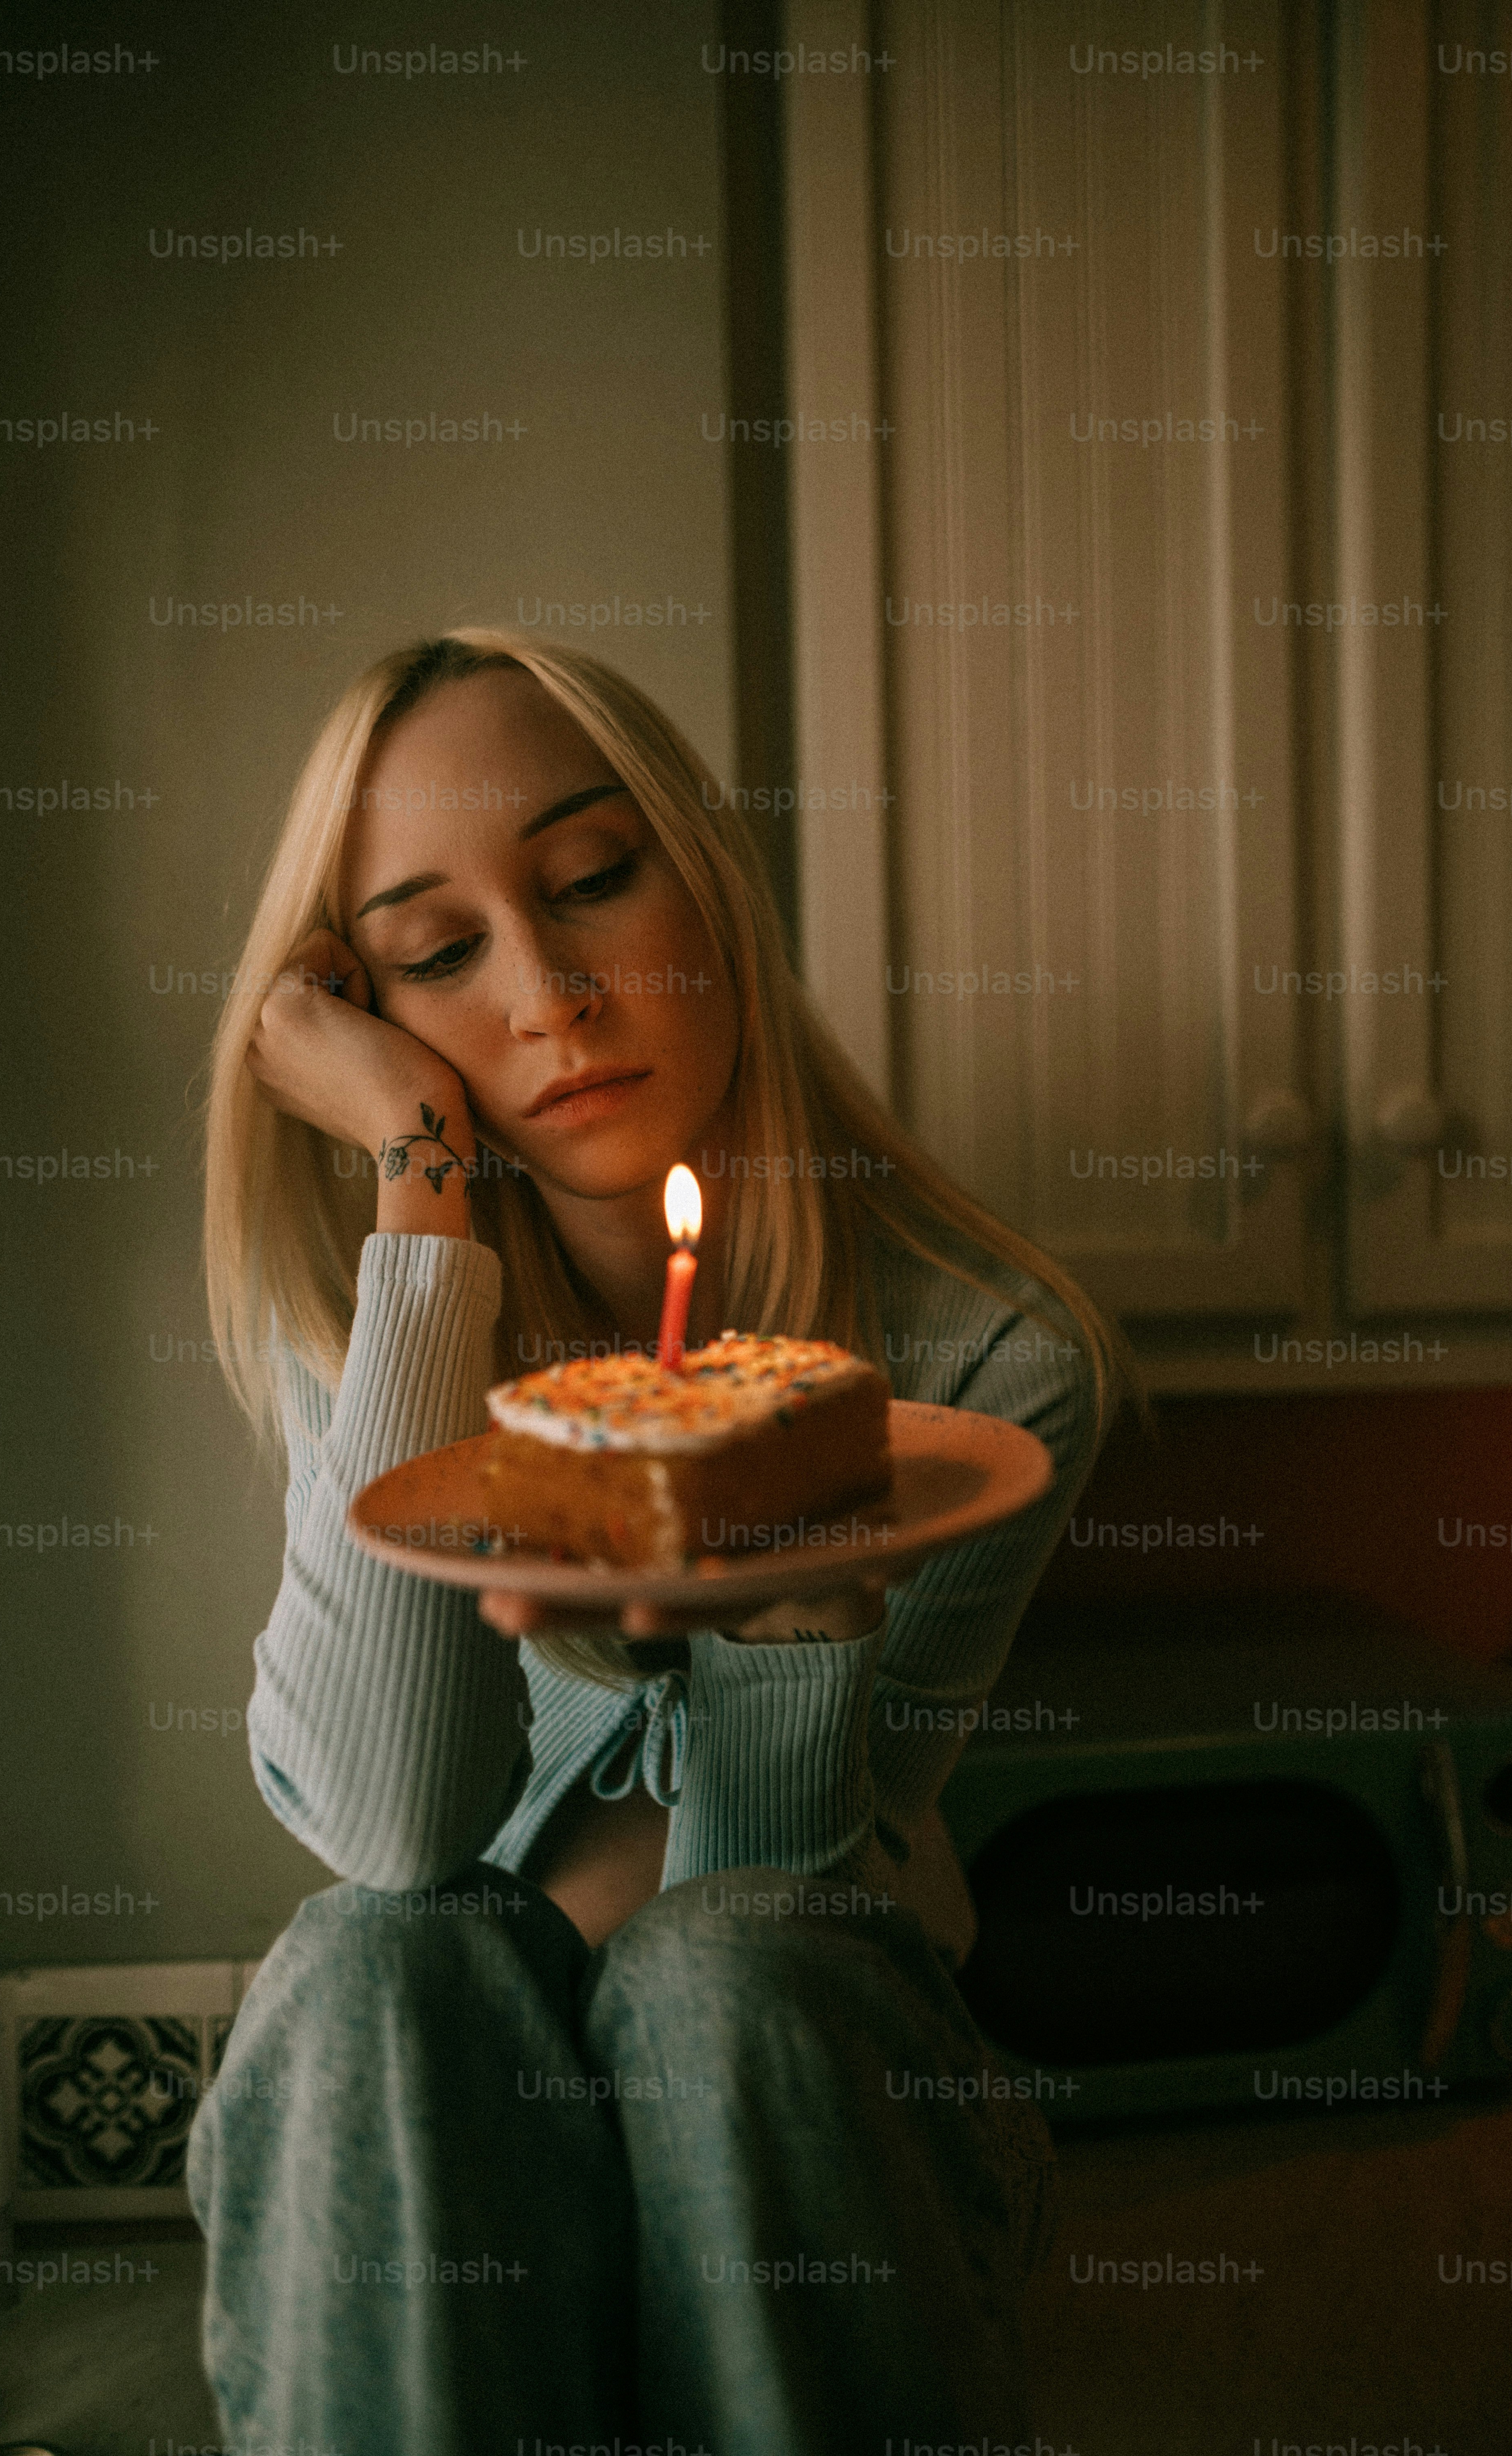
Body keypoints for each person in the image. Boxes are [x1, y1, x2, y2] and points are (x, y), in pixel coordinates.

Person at [186, 629, 1134, 2456]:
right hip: (459, 2078)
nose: (547, 998)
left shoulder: (984, 1370)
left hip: (804, 2091)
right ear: (366, 1017)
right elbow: (393, 1830)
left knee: (729, 1973)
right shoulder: (383, 1322)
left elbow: (765, 1904)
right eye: (437, 955)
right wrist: (418, 1188)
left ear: (701, 869)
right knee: (375, 1960)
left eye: (593, 879)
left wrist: (790, 1630)